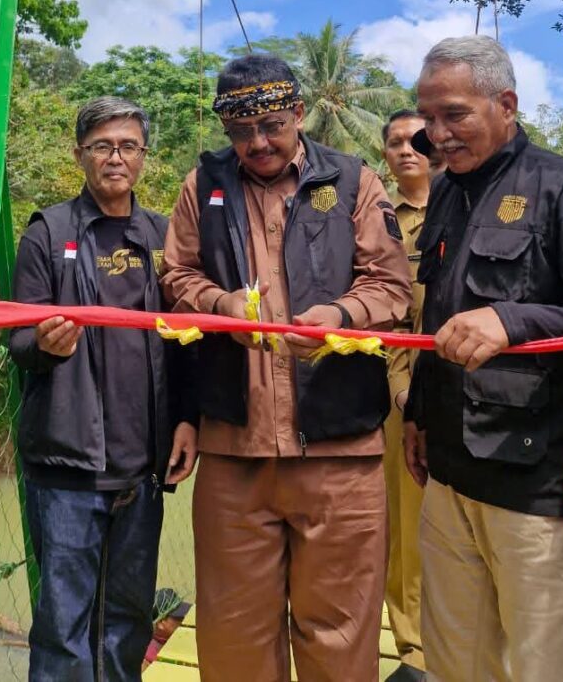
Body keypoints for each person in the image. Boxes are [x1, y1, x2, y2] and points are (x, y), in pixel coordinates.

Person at [162, 54, 412, 682]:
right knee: (234, 633)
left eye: (271, 125)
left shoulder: (353, 181)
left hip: (340, 451)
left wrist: (341, 316)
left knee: (340, 632)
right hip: (233, 450)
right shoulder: (202, 185)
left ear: (298, 114)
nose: (257, 143)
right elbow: (176, 275)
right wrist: (218, 304)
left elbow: (391, 286)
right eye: (241, 131)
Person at [403, 36, 563, 681]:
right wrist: (417, 415)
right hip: (450, 475)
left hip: (535, 485)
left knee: (545, 667)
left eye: (454, 114)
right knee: (456, 663)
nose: (436, 135)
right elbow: (438, 314)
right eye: (428, 117)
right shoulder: (446, 192)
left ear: (506, 104)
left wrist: (513, 319)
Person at [9, 96, 198, 682]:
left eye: (128, 146)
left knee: (128, 621)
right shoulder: (47, 233)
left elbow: (185, 343)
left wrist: (187, 419)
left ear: (144, 156)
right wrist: (46, 345)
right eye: (102, 146)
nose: (116, 158)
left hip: (142, 467)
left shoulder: (165, 237)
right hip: (67, 465)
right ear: (80, 155)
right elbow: (18, 339)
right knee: (63, 626)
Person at [381, 110, 435, 682]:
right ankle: (413, 650)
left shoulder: (467, 203)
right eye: (394, 142)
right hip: (406, 393)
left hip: (478, 391)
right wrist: (401, 393)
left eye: (416, 139)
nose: (406, 149)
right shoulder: (378, 218)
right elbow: (393, 319)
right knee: (408, 528)